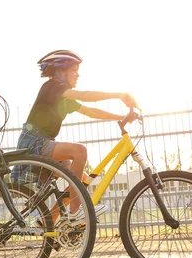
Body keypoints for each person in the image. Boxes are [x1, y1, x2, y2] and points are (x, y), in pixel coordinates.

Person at [15, 50, 137, 223]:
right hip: (34, 141)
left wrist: (121, 117)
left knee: (79, 179)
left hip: (41, 142)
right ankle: (74, 211)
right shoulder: (53, 87)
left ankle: (48, 221)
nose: (78, 74)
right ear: (60, 72)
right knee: (79, 151)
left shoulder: (63, 98)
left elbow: (92, 112)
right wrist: (118, 94)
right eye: (74, 70)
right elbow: (84, 95)